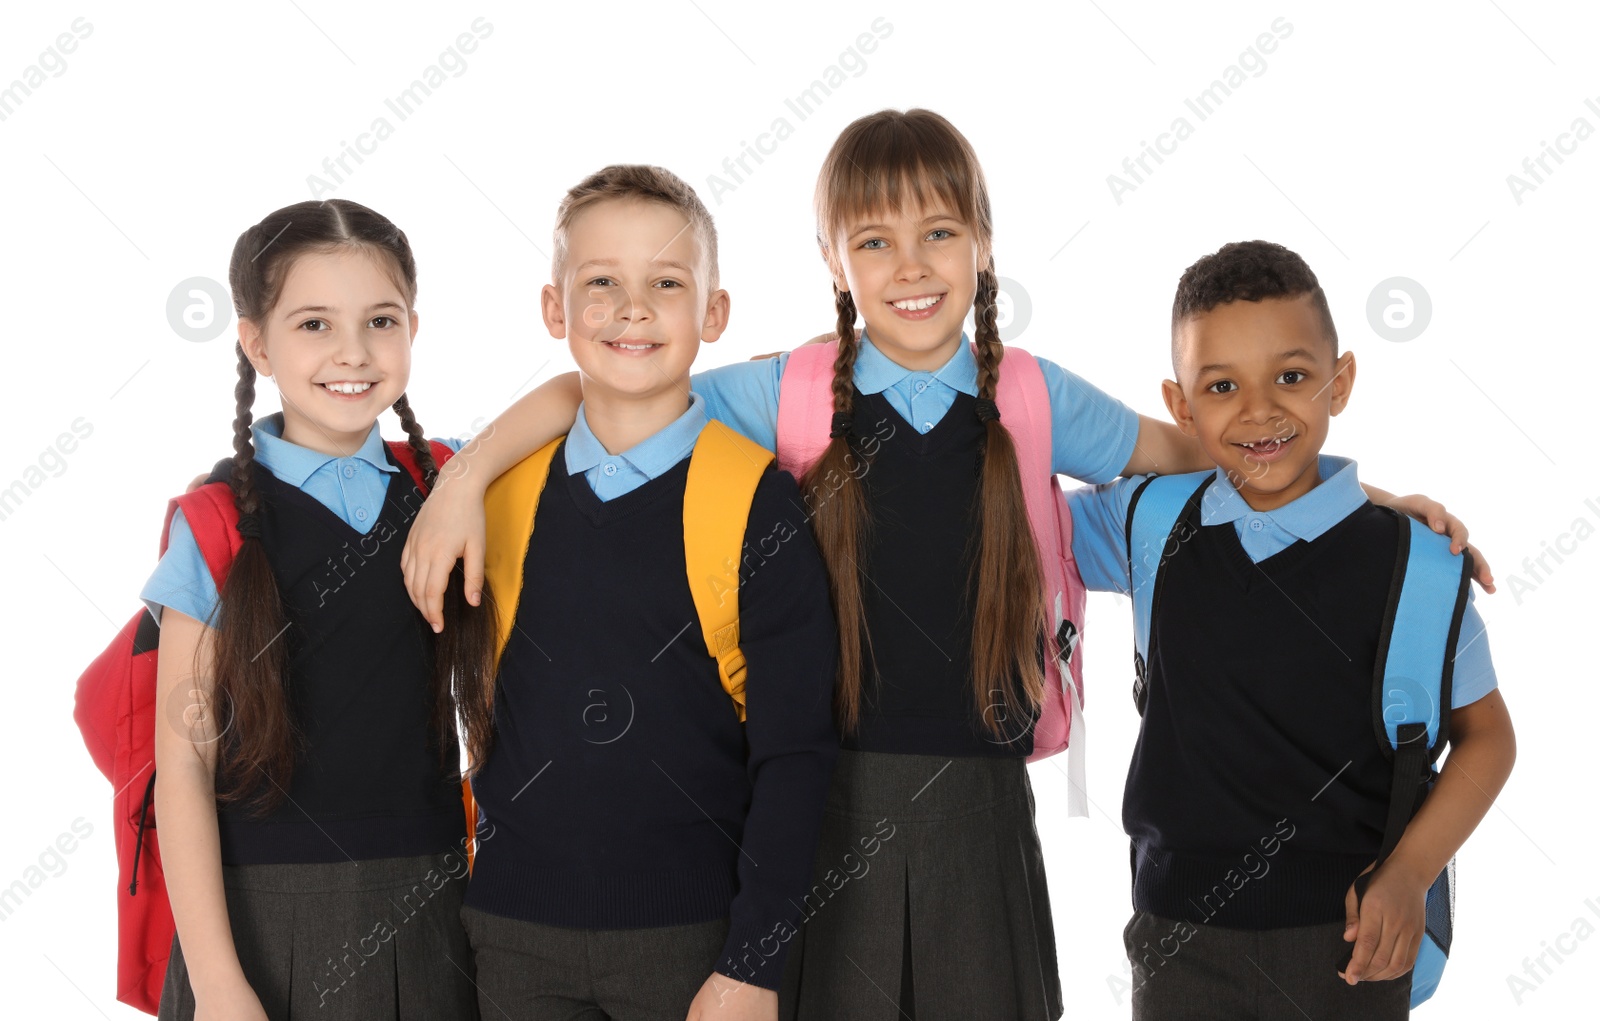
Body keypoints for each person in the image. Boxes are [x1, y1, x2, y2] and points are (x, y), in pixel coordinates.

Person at [399, 111, 1485, 1020]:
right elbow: (602, 397)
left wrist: (1363, 499)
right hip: (822, 796)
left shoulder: (1033, 398)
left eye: (938, 232)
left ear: (982, 244)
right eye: (872, 241)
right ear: (831, 260)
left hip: (978, 807)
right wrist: (462, 479)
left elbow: (1218, 449)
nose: (909, 267)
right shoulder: (781, 394)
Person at [1066, 240, 1517, 1020]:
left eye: (1292, 376)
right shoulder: (1148, 520)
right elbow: (1001, 495)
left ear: (1339, 382)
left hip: (1348, 941)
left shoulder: (1418, 563)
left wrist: (1410, 872)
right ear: (1180, 406)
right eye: (1221, 386)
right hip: (1177, 938)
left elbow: (1489, 736)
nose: (1260, 409)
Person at [442, 165, 838, 1021]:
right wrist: (454, 483)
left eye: (666, 282)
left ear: (714, 312)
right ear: (555, 309)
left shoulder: (756, 500)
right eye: (601, 284)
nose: (633, 308)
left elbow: (795, 756)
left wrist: (754, 962)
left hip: (695, 944)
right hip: (512, 934)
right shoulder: (494, 490)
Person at [145, 200, 481, 1020]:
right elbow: (182, 765)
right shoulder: (218, 521)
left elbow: (583, 399)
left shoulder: (446, 486)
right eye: (314, 325)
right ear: (256, 341)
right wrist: (221, 984)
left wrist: (475, 474)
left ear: (412, 327)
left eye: (380, 320)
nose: (353, 353)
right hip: (261, 917)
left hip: (432, 904)